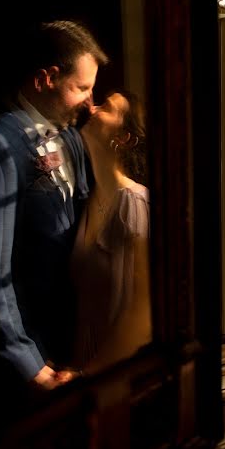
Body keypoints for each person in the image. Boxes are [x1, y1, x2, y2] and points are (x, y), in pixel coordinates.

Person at [0, 20, 108, 415]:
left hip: (75, 352)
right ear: (45, 79)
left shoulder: (70, 135)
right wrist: (29, 365)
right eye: (81, 88)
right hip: (31, 365)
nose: (90, 101)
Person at [69, 87, 151, 375]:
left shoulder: (134, 203)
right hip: (82, 370)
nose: (92, 108)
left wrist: (89, 377)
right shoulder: (87, 197)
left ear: (123, 138)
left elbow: (140, 317)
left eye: (105, 106)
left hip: (113, 380)